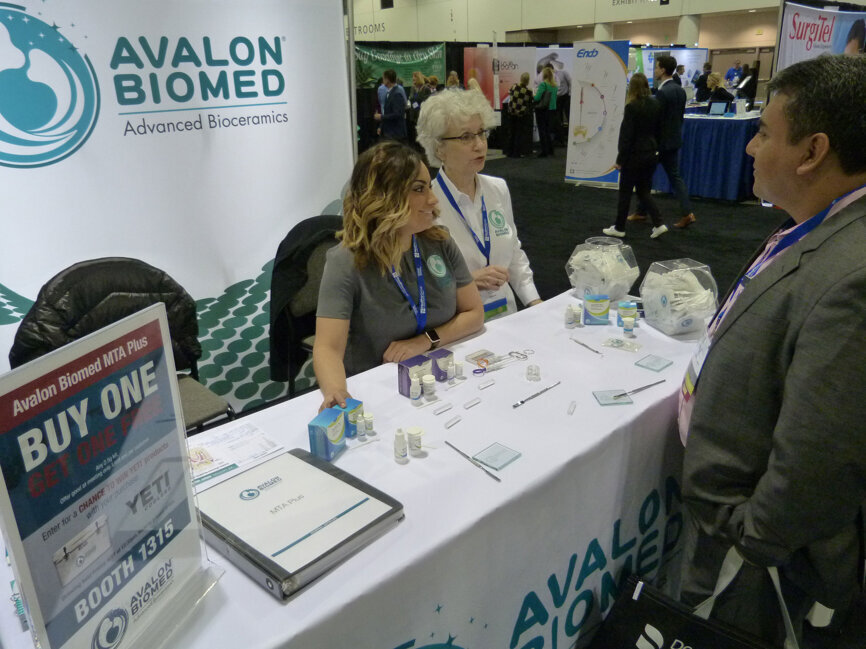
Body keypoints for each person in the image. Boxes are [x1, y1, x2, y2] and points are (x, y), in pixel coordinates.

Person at [677, 54, 866, 647]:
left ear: (812, 152)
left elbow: (822, 452)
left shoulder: (851, 276)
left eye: (763, 132)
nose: (751, 147)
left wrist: (750, 538)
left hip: (756, 559)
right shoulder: (817, 226)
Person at [313, 141, 484, 410]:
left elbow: (474, 313)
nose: (433, 199)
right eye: (419, 189)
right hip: (380, 392)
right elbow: (327, 349)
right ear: (384, 196)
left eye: (429, 186)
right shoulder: (345, 262)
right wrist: (336, 393)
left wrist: (424, 342)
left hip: (439, 381)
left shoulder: (439, 242)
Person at [416, 90, 542, 320]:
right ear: (439, 148)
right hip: (457, 323)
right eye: (466, 137)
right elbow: (419, 280)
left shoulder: (498, 189)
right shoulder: (426, 203)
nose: (479, 145)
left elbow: (513, 252)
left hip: (506, 317)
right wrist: (468, 280)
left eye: (481, 133)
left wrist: (535, 302)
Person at [629, 54, 696, 229]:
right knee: (675, 177)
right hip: (674, 141)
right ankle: (686, 212)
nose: (655, 70)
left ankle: (641, 211)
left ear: (663, 69)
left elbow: (656, 120)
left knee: (644, 176)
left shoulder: (662, 93)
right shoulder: (680, 90)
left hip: (659, 143)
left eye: (657, 67)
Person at [602, 73, 666, 240]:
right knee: (644, 191)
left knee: (625, 192)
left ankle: (619, 227)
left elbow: (626, 137)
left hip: (634, 156)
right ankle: (659, 223)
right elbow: (659, 131)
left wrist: (619, 160)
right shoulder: (656, 104)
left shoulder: (631, 107)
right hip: (651, 153)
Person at [375, 69, 408, 141]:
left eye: (383, 78)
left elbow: (398, 114)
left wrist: (381, 116)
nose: (382, 81)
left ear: (387, 80)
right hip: (389, 132)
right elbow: (388, 112)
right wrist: (381, 127)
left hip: (395, 134)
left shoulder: (396, 94)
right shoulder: (390, 92)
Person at [507, 72, 534, 158]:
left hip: (511, 112)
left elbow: (509, 92)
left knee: (512, 132)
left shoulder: (514, 86)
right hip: (521, 114)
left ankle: (509, 152)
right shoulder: (528, 91)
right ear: (528, 81)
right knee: (519, 133)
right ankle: (516, 153)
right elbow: (531, 100)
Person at [533, 66, 557, 158]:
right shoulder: (554, 86)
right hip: (552, 109)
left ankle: (544, 151)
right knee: (549, 130)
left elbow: (537, 98)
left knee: (542, 131)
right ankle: (551, 150)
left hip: (543, 110)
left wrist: (533, 96)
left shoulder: (543, 85)